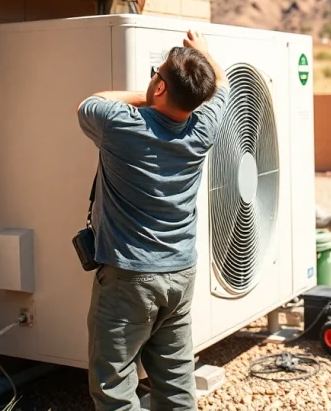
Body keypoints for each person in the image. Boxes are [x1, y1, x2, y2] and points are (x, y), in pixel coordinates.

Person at [77, 28, 229, 411]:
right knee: (177, 381)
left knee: (114, 384)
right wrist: (204, 57)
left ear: (159, 88)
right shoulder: (203, 128)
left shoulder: (121, 124)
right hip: (181, 274)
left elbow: (90, 102)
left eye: (155, 75)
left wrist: (144, 100)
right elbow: (222, 87)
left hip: (129, 279)